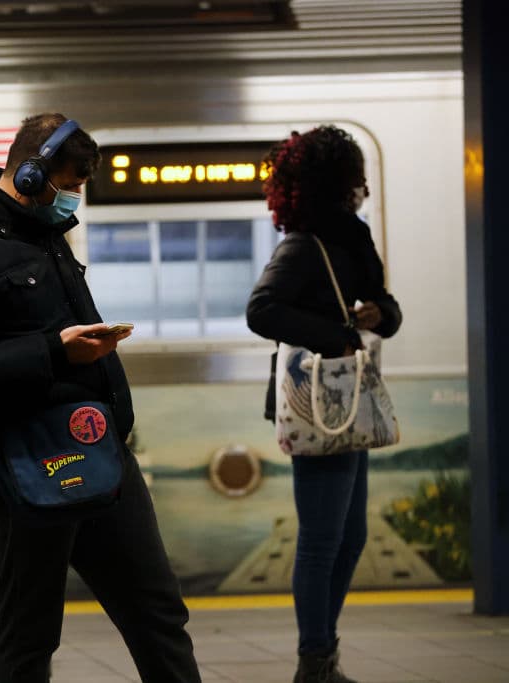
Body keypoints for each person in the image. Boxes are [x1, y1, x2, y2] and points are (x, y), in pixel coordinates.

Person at [0, 112, 201, 683]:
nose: (72, 200)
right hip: (23, 458)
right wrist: (54, 352)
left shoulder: (46, 239)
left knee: (157, 610)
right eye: (67, 186)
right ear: (27, 174)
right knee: (31, 630)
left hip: (99, 446)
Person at [246, 125, 402, 683]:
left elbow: (387, 304)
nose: (361, 184)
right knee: (320, 540)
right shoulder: (302, 244)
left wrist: (379, 314)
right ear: (335, 180)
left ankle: (322, 655)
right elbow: (261, 310)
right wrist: (331, 335)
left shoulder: (352, 237)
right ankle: (315, 661)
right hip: (315, 402)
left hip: (350, 399)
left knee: (351, 537)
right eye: (353, 174)